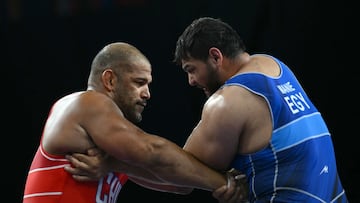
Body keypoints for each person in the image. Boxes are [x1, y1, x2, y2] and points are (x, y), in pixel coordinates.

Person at [65, 17, 349, 203]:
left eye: (192, 70)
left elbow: (177, 177)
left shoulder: (228, 101)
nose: (191, 81)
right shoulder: (274, 65)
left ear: (215, 56)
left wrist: (114, 164)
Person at [22, 42, 247, 203]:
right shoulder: (87, 103)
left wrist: (115, 164)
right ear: (109, 80)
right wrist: (223, 183)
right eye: (139, 83)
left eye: (148, 84)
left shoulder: (112, 149)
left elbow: (180, 185)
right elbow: (152, 150)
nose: (147, 94)